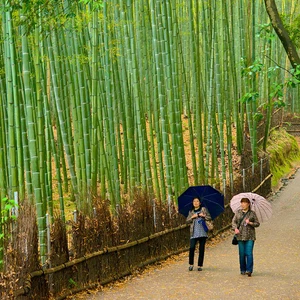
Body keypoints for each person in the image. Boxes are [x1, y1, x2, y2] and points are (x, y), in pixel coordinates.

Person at [232, 197, 260, 277]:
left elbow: (257, 223)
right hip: (240, 236)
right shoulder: (238, 212)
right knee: (242, 254)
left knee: (249, 253)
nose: (243, 204)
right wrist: (235, 228)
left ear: (248, 204)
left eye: (245, 203)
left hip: (250, 236)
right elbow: (233, 222)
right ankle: (242, 269)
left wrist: (250, 223)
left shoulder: (252, 213)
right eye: (242, 203)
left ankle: (249, 270)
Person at [186, 197, 212, 271]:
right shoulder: (191, 211)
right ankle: (191, 264)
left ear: (200, 203)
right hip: (194, 232)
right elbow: (187, 221)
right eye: (194, 201)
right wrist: (192, 217)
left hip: (202, 232)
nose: (196, 203)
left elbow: (209, 217)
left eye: (197, 201)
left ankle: (200, 265)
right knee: (191, 248)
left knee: (201, 249)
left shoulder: (203, 209)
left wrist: (203, 216)